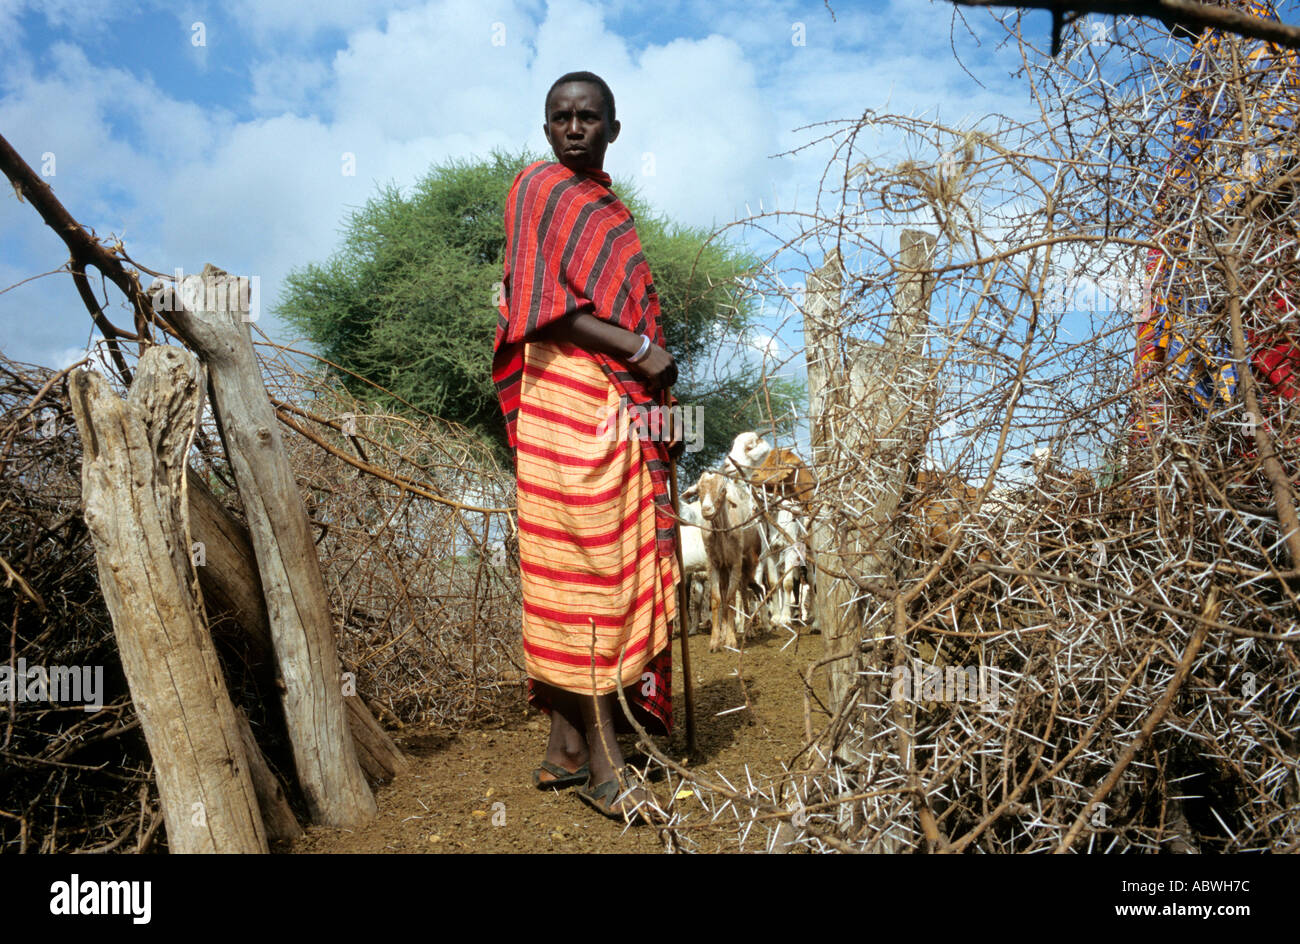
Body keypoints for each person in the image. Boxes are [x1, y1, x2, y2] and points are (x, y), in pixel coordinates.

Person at [491, 71, 682, 820]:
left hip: (614, 407)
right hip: (563, 405)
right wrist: (637, 347)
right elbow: (541, 308)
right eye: (561, 118)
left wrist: (651, 392)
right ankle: (608, 768)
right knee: (592, 575)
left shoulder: (608, 208)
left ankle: (566, 750)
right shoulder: (537, 188)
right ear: (546, 130)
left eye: (589, 117)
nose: (574, 128)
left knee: (595, 567)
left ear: (613, 128)